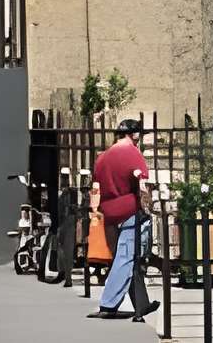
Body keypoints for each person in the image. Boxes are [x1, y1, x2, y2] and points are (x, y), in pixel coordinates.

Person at [89, 114, 154, 323]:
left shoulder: (102, 158)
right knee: (126, 258)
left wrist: (96, 212)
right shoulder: (133, 155)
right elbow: (142, 186)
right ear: (135, 135)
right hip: (129, 212)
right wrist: (148, 208)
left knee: (126, 258)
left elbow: (96, 188)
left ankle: (141, 306)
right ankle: (108, 304)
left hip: (110, 214)